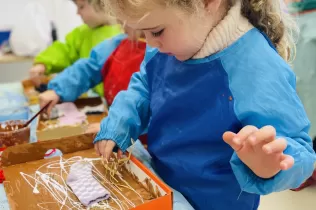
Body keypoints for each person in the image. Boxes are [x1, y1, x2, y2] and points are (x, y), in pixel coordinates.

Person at [92, 0, 316, 209]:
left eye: (156, 31)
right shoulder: (164, 45)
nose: (149, 43)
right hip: (162, 186)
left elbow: (300, 151)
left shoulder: (256, 65)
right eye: (143, 32)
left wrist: (270, 165)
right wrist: (119, 124)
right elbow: (144, 87)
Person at [29, 0, 121, 96]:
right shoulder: (83, 32)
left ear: (102, 4)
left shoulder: (123, 34)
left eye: (81, 7)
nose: (77, 13)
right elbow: (65, 50)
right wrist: (43, 63)